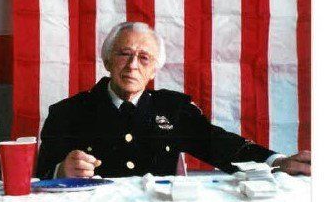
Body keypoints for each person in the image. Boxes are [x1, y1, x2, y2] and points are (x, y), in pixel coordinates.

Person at [36, 22, 311, 179]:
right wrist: (60, 171)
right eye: (124, 54)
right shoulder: (68, 113)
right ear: (107, 61)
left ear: (154, 70)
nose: (133, 65)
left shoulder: (172, 110)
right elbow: (38, 176)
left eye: (144, 58)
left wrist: (276, 162)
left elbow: (222, 146)